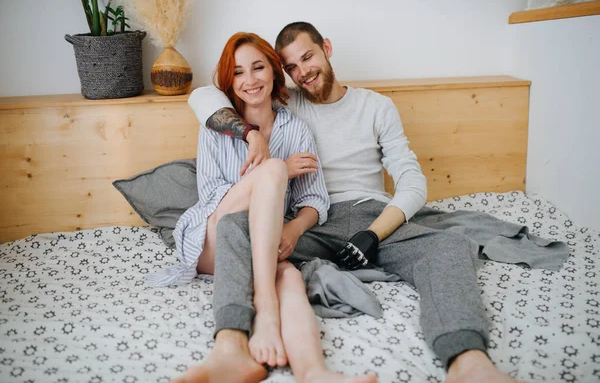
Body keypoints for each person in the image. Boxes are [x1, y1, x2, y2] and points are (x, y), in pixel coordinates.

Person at [179, 22, 522, 383]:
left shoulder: (376, 106)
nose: (303, 72)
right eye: (292, 67)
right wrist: (250, 137)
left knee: (449, 246)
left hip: (371, 216)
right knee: (241, 232)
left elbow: (412, 181)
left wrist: (373, 233)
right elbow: (204, 96)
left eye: (308, 57)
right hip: (313, 223)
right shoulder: (282, 100)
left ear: (326, 48)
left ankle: (468, 362)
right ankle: (233, 348)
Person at [158, 32, 375, 383]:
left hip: (263, 238)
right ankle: (263, 314)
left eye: (258, 68)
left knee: (289, 276)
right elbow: (213, 197)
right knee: (272, 170)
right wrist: (277, 170)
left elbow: (315, 201)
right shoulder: (216, 125)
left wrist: (294, 228)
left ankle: (313, 370)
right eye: (239, 72)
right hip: (211, 238)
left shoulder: (296, 129)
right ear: (230, 81)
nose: (250, 80)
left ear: (275, 72)